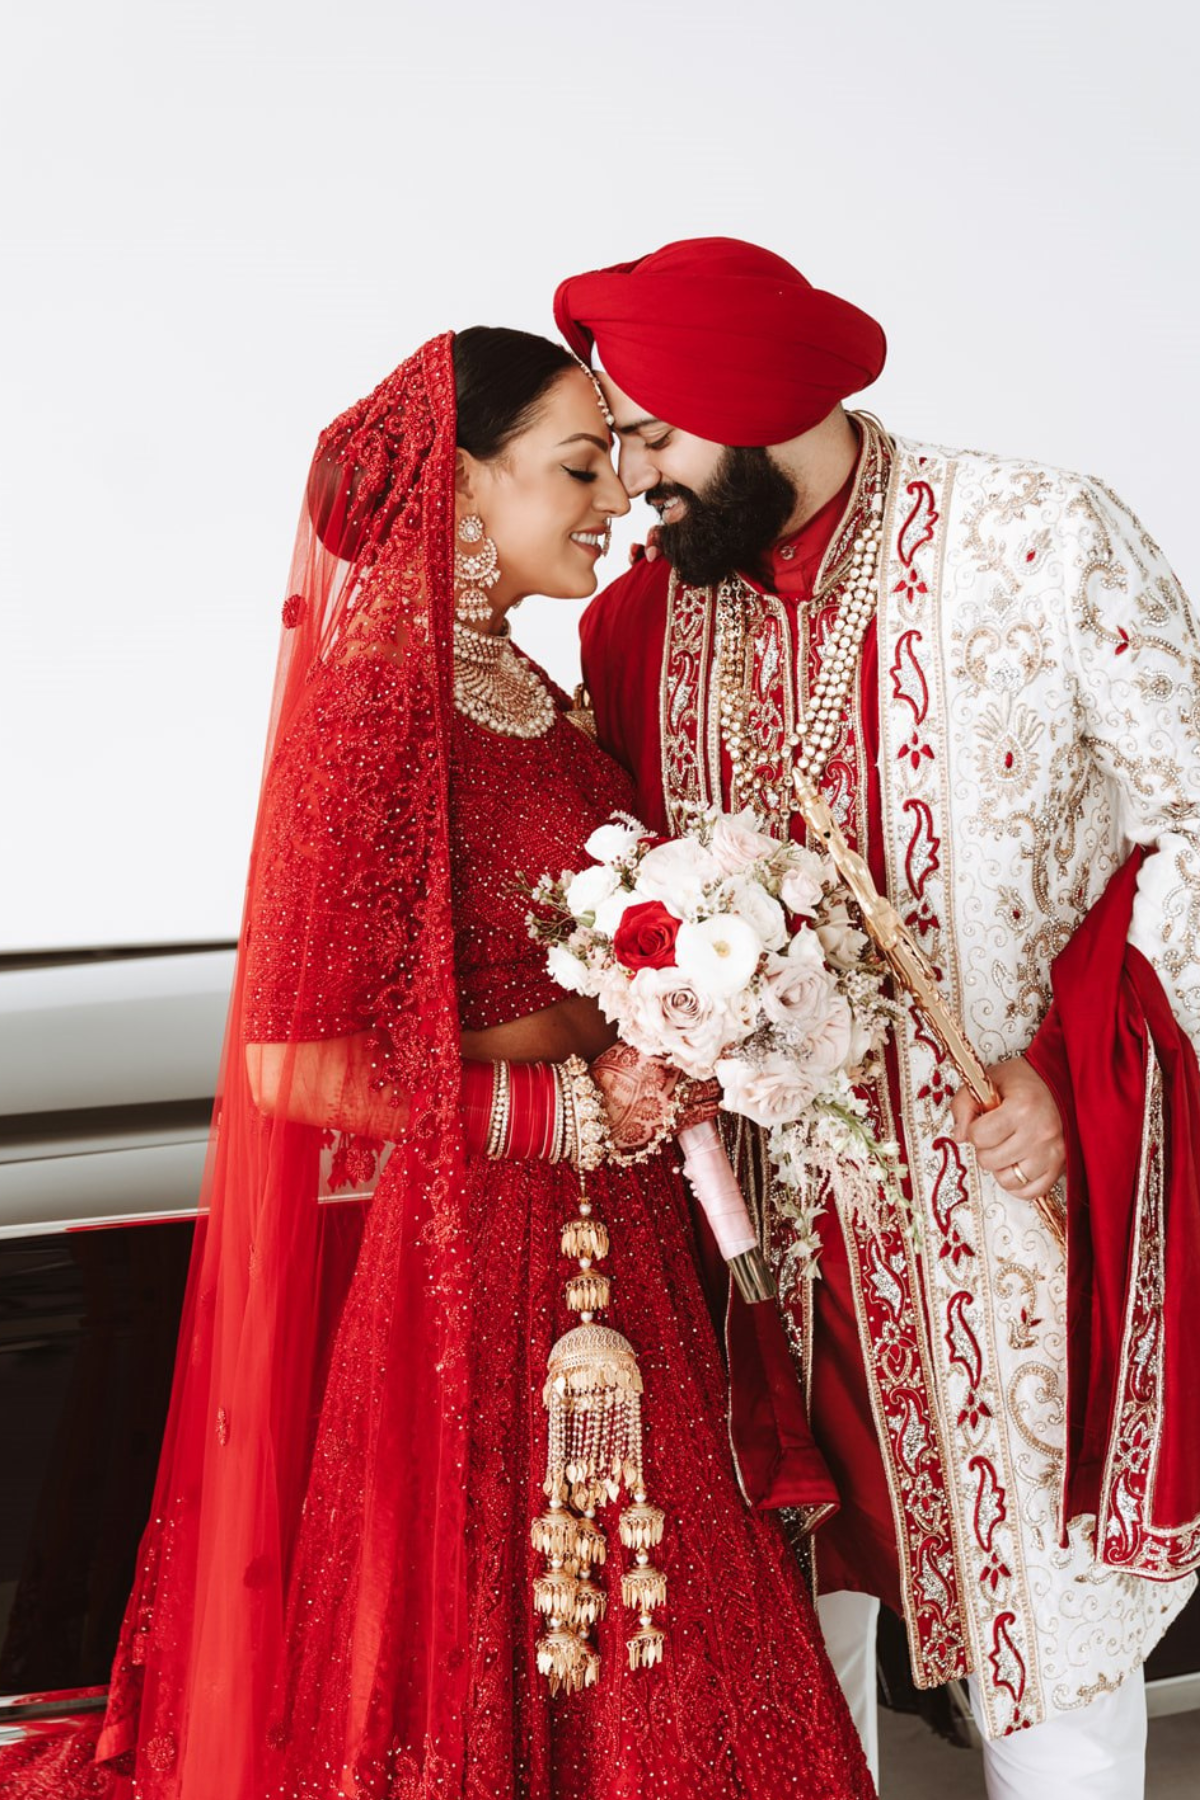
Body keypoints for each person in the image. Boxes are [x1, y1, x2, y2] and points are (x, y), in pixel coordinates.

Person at [0, 327, 873, 1799]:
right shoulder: (373, 713)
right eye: (580, 466)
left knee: (657, 1611)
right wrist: (569, 1102)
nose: (618, 500)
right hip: (484, 1256)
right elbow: (299, 1069)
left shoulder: (532, 696)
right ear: (457, 492)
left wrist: (691, 1025)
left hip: (625, 1237)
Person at [557, 237, 1200, 1800]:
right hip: (767, 1262)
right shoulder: (638, 629)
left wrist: (1070, 1071)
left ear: (751, 404)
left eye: (649, 437)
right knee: (786, 1668)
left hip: (1004, 1226)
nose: (628, 482)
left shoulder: (1036, 539)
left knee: (1046, 1669)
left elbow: (1194, 807)